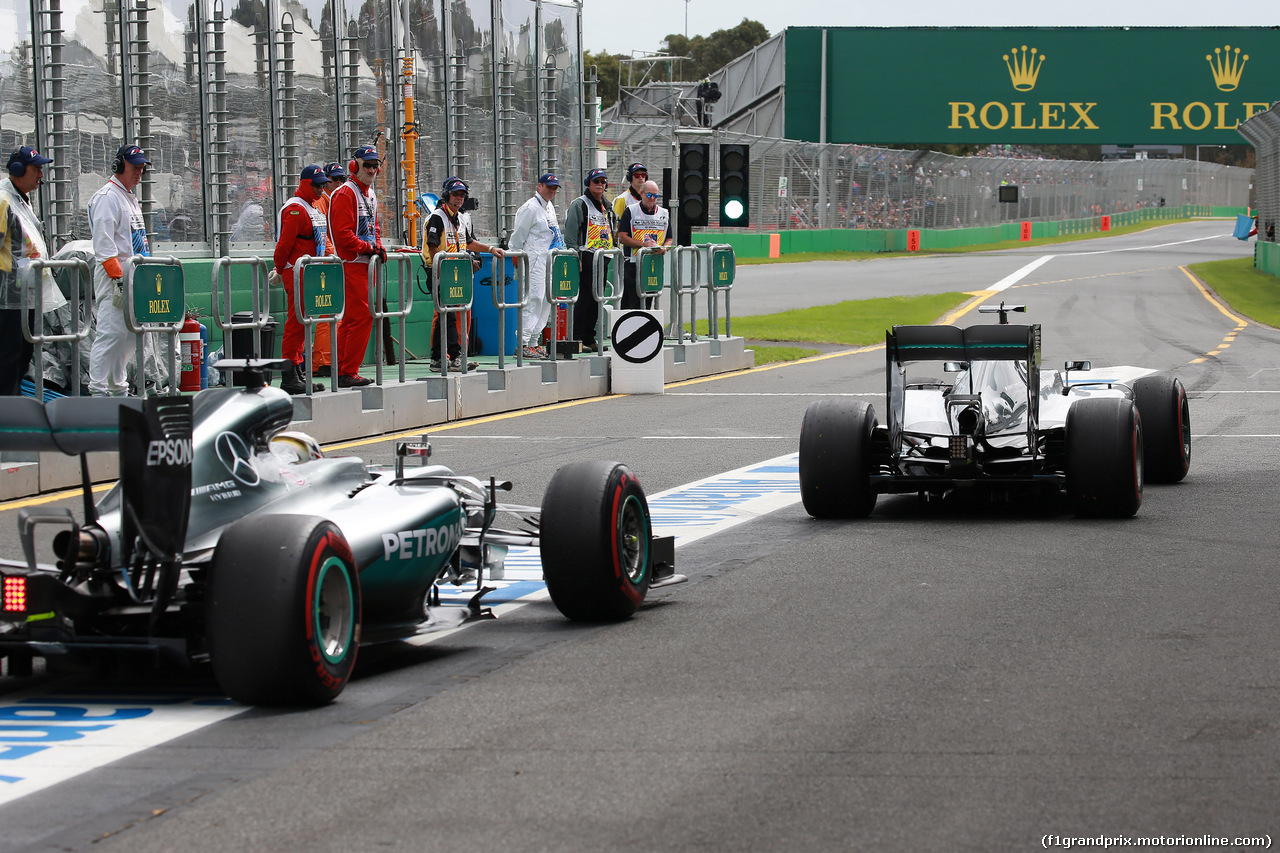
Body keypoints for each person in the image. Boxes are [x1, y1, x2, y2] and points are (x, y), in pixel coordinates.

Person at [87, 144, 152, 396]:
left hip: (135, 278)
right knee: (110, 335)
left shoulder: (128, 197)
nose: (139, 172)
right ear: (119, 166)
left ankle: (118, 390)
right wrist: (119, 281)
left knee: (126, 340)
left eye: (142, 168)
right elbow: (105, 247)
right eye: (134, 167)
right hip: (117, 280)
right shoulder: (107, 198)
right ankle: (98, 391)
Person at [421, 176, 504, 371]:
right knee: (447, 316)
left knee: (450, 315)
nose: (459, 198)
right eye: (455, 194)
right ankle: (453, 356)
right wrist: (440, 270)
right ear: (446, 195)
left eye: (462, 195)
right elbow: (432, 246)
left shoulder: (459, 219)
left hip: (455, 273)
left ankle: (439, 358)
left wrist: (490, 249)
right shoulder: (437, 217)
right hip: (442, 273)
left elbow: (468, 242)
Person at [327, 146, 386, 387]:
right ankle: (347, 370)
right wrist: (369, 248)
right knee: (362, 318)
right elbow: (342, 235)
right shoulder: (345, 193)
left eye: (375, 166)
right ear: (355, 166)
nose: (372, 170)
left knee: (353, 319)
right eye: (368, 165)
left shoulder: (369, 194)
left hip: (365, 264)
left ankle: (342, 369)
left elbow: (375, 228)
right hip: (352, 264)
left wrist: (378, 247)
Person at [0, 146, 55, 395]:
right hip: (8, 296)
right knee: (9, 354)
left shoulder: (21, 199)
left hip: (26, 291)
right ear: (18, 170)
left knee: (24, 351)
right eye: (37, 169)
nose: (41, 175)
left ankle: (13, 399)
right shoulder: (4, 199)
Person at [272, 164, 330, 394]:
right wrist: (279, 269)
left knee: (303, 322)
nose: (320, 188)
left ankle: (297, 371)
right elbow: (284, 244)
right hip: (297, 272)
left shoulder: (312, 206)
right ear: (305, 184)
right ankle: (289, 375)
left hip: (309, 272)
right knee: (296, 324)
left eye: (323, 185)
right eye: (316, 185)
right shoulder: (296, 209)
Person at [507, 172, 565, 359]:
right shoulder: (529, 208)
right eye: (549, 187)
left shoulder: (549, 208)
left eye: (555, 188)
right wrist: (519, 260)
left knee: (546, 301)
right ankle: (522, 343)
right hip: (533, 260)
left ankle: (534, 342)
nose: (552, 190)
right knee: (533, 299)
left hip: (548, 260)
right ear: (539, 186)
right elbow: (517, 238)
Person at [563, 168, 617, 350]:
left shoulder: (606, 206)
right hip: (586, 256)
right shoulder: (580, 204)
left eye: (603, 182)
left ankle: (589, 337)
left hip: (602, 257)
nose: (600, 185)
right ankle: (577, 337)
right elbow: (570, 234)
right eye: (596, 182)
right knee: (585, 299)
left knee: (597, 299)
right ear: (589, 183)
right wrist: (574, 255)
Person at [310, 162, 346, 377]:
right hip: (326, 266)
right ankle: (321, 361)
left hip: (333, 263)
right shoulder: (321, 203)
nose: (339, 183)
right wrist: (336, 258)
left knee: (334, 314)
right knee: (328, 312)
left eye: (341, 179)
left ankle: (328, 359)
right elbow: (324, 237)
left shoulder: (335, 201)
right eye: (334, 180)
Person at [617, 179, 672, 310]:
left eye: (655, 195)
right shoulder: (631, 211)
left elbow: (669, 239)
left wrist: (664, 248)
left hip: (652, 264)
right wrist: (643, 245)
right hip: (632, 263)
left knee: (648, 302)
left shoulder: (663, 213)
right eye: (649, 195)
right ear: (641, 193)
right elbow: (622, 237)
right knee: (632, 303)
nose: (652, 198)